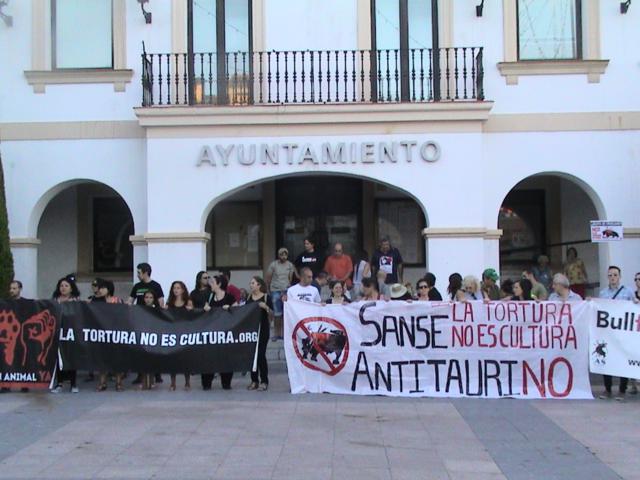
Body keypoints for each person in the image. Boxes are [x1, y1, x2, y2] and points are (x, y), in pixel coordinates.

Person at [598, 266, 634, 401]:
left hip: (623, 333)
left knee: (623, 361)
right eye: (610, 275)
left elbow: (633, 308)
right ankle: (607, 389)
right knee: (607, 360)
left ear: (619, 277)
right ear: (608, 277)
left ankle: (622, 390)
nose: (612, 277)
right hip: (609, 333)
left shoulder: (628, 291)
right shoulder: (603, 293)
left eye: (615, 275)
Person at [129, 263, 165, 385]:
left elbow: (161, 303)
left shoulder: (156, 286)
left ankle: (157, 373)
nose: (138, 275)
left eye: (139, 272)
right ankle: (140, 374)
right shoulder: (137, 286)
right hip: (140, 320)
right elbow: (130, 301)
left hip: (153, 322)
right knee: (141, 348)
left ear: (145, 272)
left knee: (154, 346)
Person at [202, 275, 236, 390]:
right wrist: (206, 309)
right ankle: (207, 383)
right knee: (208, 357)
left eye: (212, 282)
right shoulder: (209, 296)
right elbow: (205, 311)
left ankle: (226, 382)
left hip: (226, 333)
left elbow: (238, 312)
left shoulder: (230, 297)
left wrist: (230, 308)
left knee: (226, 357)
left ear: (219, 284)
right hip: (212, 333)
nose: (210, 284)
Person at [92, 279, 125, 392]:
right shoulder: (95, 301)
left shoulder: (117, 300)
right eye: (99, 288)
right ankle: (102, 382)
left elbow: (123, 316)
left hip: (115, 333)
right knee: (102, 359)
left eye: (103, 288)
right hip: (101, 334)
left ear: (109, 289)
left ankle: (119, 382)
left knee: (118, 359)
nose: (100, 290)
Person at [51, 275, 80, 394]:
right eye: (61, 286)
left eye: (66, 286)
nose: (63, 288)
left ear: (71, 288)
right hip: (58, 332)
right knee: (58, 358)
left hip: (71, 333)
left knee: (72, 357)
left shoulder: (75, 301)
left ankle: (73, 384)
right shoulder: (54, 300)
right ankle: (59, 383)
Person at [246, 276, 272, 392]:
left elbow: (272, 313)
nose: (251, 285)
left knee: (261, 355)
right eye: (250, 283)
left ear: (259, 285)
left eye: (253, 283)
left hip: (263, 329)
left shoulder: (266, 297)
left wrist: (265, 307)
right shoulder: (249, 297)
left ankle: (264, 380)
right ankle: (254, 380)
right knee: (252, 355)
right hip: (252, 329)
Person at [166, 281, 193, 391]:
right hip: (173, 334)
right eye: (174, 288)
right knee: (173, 359)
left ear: (183, 290)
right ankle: (173, 382)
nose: (176, 290)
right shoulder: (170, 303)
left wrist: (191, 310)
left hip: (185, 333)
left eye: (178, 288)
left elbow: (193, 316)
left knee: (185, 359)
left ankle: (187, 382)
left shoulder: (188, 302)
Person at [265, 247, 295, 342]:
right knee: (277, 314)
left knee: (285, 314)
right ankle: (276, 334)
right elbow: (268, 277)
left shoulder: (290, 265)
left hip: (286, 291)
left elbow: (292, 277)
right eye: (281, 254)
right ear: (278, 255)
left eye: (285, 254)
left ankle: (284, 334)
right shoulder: (273, 265)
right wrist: (268, 289)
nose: (283, 256)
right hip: (276, 291)